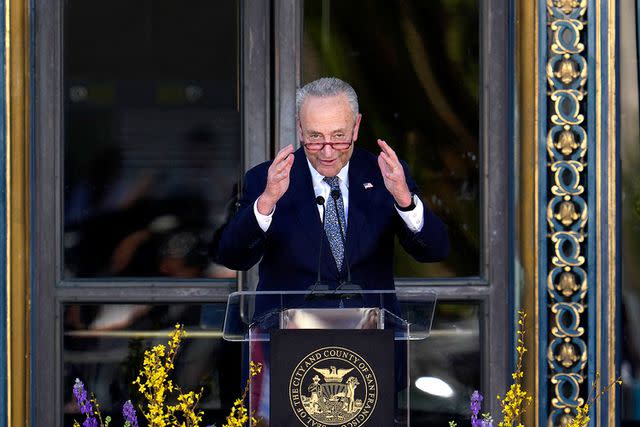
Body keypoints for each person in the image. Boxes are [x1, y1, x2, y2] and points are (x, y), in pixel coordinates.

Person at [214, 77, 449, 294]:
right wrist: (266, 202)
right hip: (289, 335)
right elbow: (233, 258)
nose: (327, 152)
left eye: (338, 137)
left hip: (370, 335)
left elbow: (435, 251)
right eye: (315, 137)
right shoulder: (266, 178)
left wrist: (405, 201)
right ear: (300, 129)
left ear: (356, 127)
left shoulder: (385, 174)